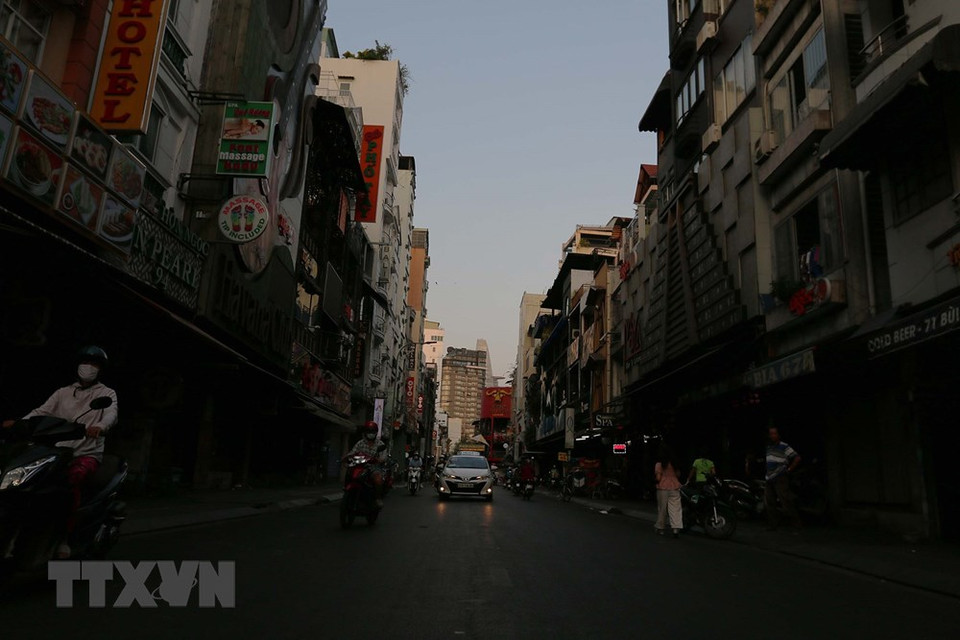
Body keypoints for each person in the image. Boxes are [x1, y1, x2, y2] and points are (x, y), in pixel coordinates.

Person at [3, 346, 118, 558]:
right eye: (86, 362)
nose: (88, 367)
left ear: (100, 369)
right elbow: (41, 412)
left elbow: (110, 416)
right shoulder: (63, 392)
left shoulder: (107, 394)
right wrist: (19, 423)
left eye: (94, 364)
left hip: (85, 453)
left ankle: (64, 537)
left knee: (70, 480)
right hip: (56, 451)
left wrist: (100, 427)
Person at [765, 426, 802, 530]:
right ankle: (773, 524)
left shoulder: (784, 446)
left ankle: (795, 523)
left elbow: (797, 457)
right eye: (771, 434)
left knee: (785, 500)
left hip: (780, 476)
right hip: (769, 477)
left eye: (774, 433)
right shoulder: (769, 447)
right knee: (769, 501)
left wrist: (789, 469)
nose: (772, 436)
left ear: (778, 435)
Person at [346, 421, 388, 507]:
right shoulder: (360, 443)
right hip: (360, 466)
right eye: (369, 432)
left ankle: (378, 498)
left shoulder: (380, 444)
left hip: (373, 467)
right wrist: (347, 457)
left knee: (378, 479)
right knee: (349, 472)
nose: (370, 434)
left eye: (372, 432)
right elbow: (353, 452)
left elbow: (384, 456)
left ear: (376, 433)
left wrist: (380, 459)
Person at [654, 444, 683, 538]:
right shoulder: (675, 463)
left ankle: (661, 528)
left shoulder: (659, 464)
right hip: (675, 487)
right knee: (675, 509)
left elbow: (658, 478)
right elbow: (678, 474)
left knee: (662, 509)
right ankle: (676, 529)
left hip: (662, 488)